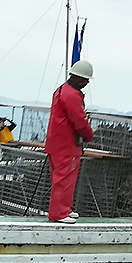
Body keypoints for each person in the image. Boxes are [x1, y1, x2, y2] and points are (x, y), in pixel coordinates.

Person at [45, 60, 94, 224]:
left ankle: (64, 208)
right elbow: (79, 120)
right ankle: (59, 213)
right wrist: (89, 135)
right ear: (80, 79)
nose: (87, 83)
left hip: (56, 143)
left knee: (60, 178)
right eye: (87, 80)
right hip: (67, 145)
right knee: (64, 179)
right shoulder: (72, 95)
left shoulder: (61, 90)